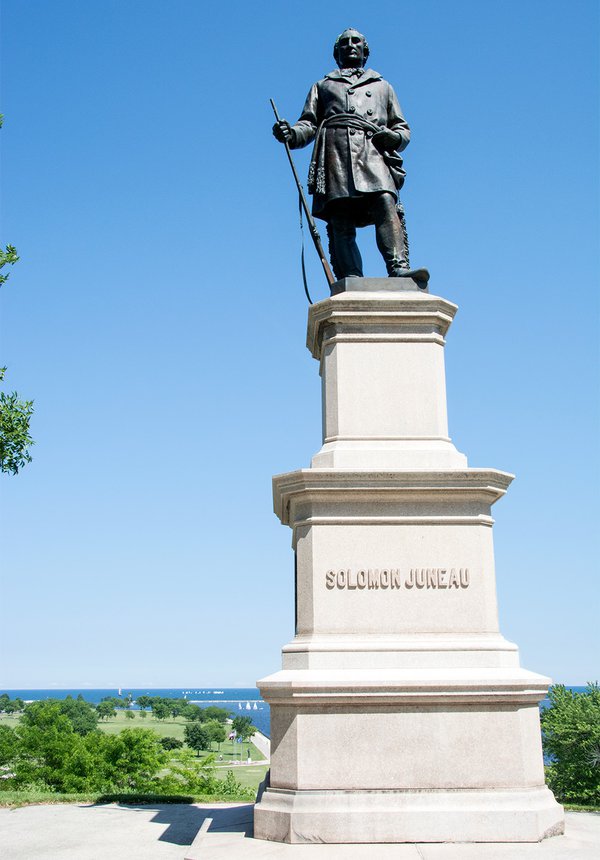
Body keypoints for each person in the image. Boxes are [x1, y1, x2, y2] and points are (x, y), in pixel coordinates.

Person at [273, 28, 427, 284]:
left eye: (356, 41)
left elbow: (402, 128)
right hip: (336, 154)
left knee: (385, 202)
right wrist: (291, 133)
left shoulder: (383, 87)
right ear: (336, 53)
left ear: (365, 50)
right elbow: (308, 124)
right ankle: (351, 276)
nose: (350, 45)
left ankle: (398, 266)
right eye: (344, 43)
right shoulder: (323, 86)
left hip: (372, 151)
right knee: (340, 215)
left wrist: (394, 138)